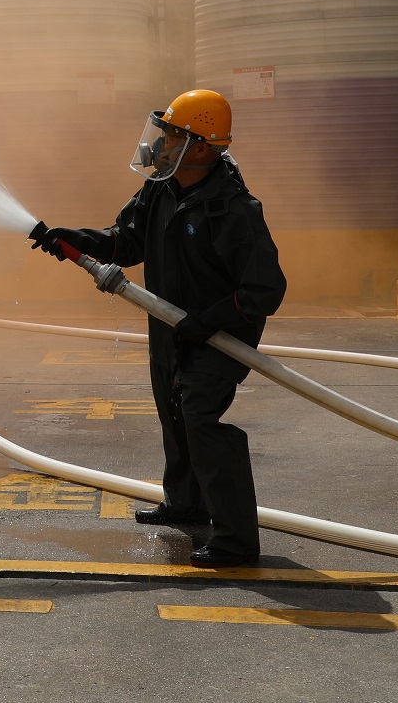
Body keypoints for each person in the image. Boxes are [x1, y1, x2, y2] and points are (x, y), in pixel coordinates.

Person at [29, 88, 286, 567]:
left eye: (171, 136)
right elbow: (126, 241)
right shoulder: (161, 189)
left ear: (203, 147)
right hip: (170, 327)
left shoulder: (233, 210)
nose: (160, 145)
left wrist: (204, 322)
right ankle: (186, 502)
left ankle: (235, 539)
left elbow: (264, 290)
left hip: (220, 336)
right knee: (172, 408)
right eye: (163, 134)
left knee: (201, 420)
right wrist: (71, 237)